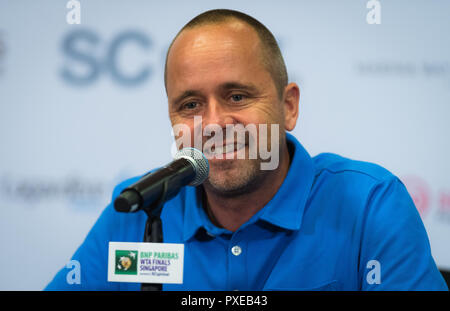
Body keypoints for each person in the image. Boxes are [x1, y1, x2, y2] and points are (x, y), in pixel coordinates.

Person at [45, 9, 448, 291]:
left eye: (237, 96)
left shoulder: (369, 204)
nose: (215, 123)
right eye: (190, 105)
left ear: (288, 106)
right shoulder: (139, 207)